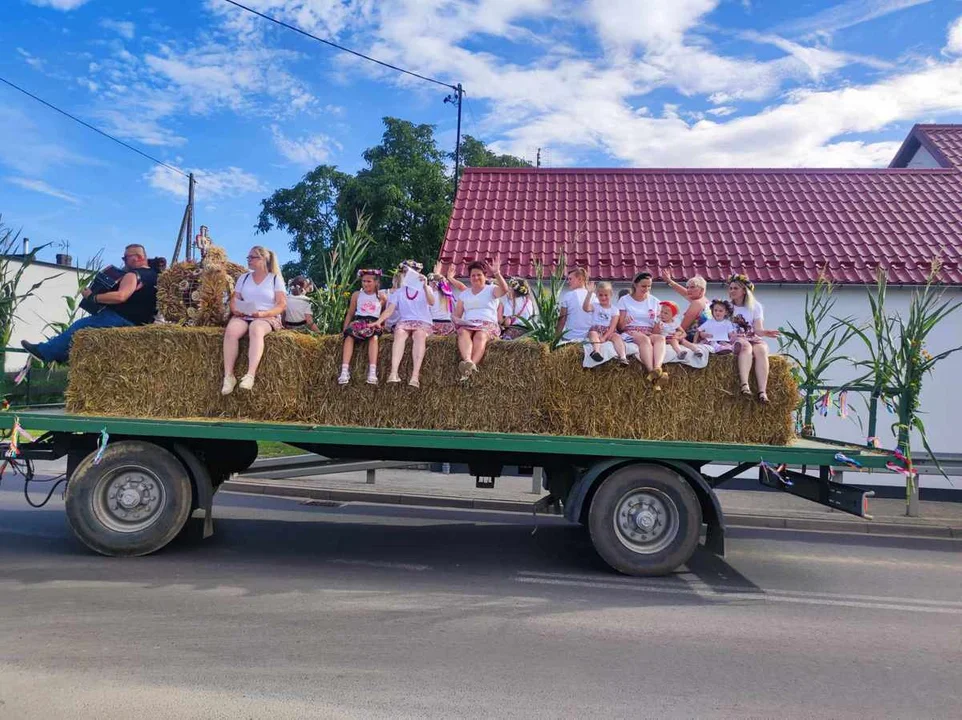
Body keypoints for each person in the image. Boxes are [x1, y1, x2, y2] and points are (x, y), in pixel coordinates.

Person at [21, 244, 159, 364]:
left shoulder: (133, 275)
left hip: (121, 319)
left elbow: (121, 296)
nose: (124, 261)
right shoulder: (155, 277)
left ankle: (44, 352)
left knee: (79, 326)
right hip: (140, 324)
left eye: (125, 257)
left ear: (138, 257)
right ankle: (62, 355)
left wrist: (93, 297)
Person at [221, 245, 286, 394]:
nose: (249, 260)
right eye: (248, 257)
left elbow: (282, 304)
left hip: (267, 316)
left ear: (263, 259)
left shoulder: (275, 279)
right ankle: (228, 376)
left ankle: (250, 375)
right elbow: (234, 299)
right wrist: (235, 309)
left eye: (253, 257)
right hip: (244, 314)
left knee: (256, 328)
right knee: (231, 330)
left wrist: (264, 314)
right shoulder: (243, 278)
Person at [373, 260, 435, 388]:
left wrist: (425, 286)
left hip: (422, 321)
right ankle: (393, 372)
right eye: (404, 273)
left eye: (409, 272)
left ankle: (415, 376)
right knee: (399, 334)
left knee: (419, 335)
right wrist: (378, 321)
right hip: (405, 321)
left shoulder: (426, 289)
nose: (406, 275)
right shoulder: (400, 292)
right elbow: (389, 310)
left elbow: (432, 302)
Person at [453, 257, 510, 379]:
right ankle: (467, 360)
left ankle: (471, 366)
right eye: (473, 275)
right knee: (463, 332)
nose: (476, 278)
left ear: (485, 276)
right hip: (468, 324)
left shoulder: (491, 290)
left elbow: (505, 290)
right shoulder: (464, 294)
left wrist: (497, 273)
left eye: (479, 275)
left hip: (487, 324)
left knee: (481, 335)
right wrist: (456, 320)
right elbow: (457, 314)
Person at [728, 273, 779, 403]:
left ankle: (762, 391)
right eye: (731, 288)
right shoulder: (727, 307)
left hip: (751, 336)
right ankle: (745, 385)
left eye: (735, 288)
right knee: (746, 347)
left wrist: (765, 332)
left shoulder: (755, 306)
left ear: (744, 291)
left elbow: (758, 329)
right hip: (735, 337)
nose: (732, 291)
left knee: (761, 350)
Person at [617, 271, 668, 387]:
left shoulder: (655, 301)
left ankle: (657, 368)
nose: (646, 289)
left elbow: (656, 329)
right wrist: (625, 322)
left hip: (649, 332)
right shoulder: (624, 300)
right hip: (631, 331)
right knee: (644, 340)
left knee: (660, 338)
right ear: (635, 285)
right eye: (643, 286)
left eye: (649, 286)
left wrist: (657, 326)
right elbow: (620, 327)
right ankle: (651, 371)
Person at [339, 269, 386, 385]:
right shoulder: (357, 295)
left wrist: (383, 325)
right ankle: (344, 370)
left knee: (373, 337)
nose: (365, 284)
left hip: (373, 322)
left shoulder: (382, 297)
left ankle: (372, 371)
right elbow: (350, 313)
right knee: (349, 335)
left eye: (369, 281)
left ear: (376, 282)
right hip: (359, 320)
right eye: (364, 281)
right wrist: (345, 329)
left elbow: (385, 313)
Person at [582, 281, 628, 364]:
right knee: (592, 333)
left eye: (606, 295)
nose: (603, 297)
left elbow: (613, 327)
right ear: (596, 295)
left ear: (611, 295)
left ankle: (623, 357)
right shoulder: (595, 306)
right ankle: (596, 351)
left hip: (609, 331)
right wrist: (589, 294)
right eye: (600, 295)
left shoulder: (614, 309)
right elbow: (585, 308)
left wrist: (604, 337)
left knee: (617, 337)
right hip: (597, 329)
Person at [661, 269, 709, 338]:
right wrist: (669, 281)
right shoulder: (705, 300)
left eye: (692, 287)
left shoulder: (696, 303)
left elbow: (682, 328)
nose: (689, 290)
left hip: (693, 338)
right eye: (687, 287)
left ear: (701, 289)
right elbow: (684, 292)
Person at [557, 267, 594, 343]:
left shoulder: (568, 296)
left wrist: (555, 338)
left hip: (569, 338)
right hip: (588, 339)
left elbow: (562, 320)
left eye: (570, 279)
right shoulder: (594, 296)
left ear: (580, 279)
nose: (568, 281)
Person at [428, 265, 458, 336]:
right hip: (447, 325)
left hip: (433, 325)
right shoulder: (449, 295)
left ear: (434, 284)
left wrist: (436, 273)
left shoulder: (430, 295)